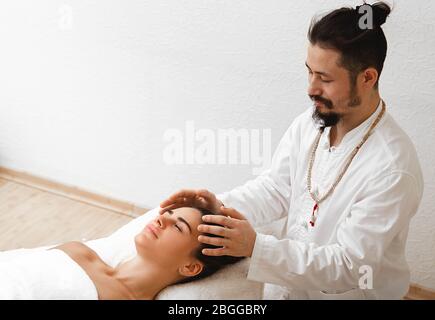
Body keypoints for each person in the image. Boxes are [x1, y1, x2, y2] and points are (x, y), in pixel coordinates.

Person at [159, 2, 424, 299]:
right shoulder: (311, 123)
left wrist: (256, 248)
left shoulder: (392, 169)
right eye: (310, 72)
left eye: (324, 78)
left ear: (367, 78)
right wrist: (214, 212)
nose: (311, 88)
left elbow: (349, 268)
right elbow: (275, 189)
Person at [1, 207, 243, 300]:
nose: (160, 220)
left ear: (190, 267)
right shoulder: (78, 251)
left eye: (178, 226)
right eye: (166, 215)